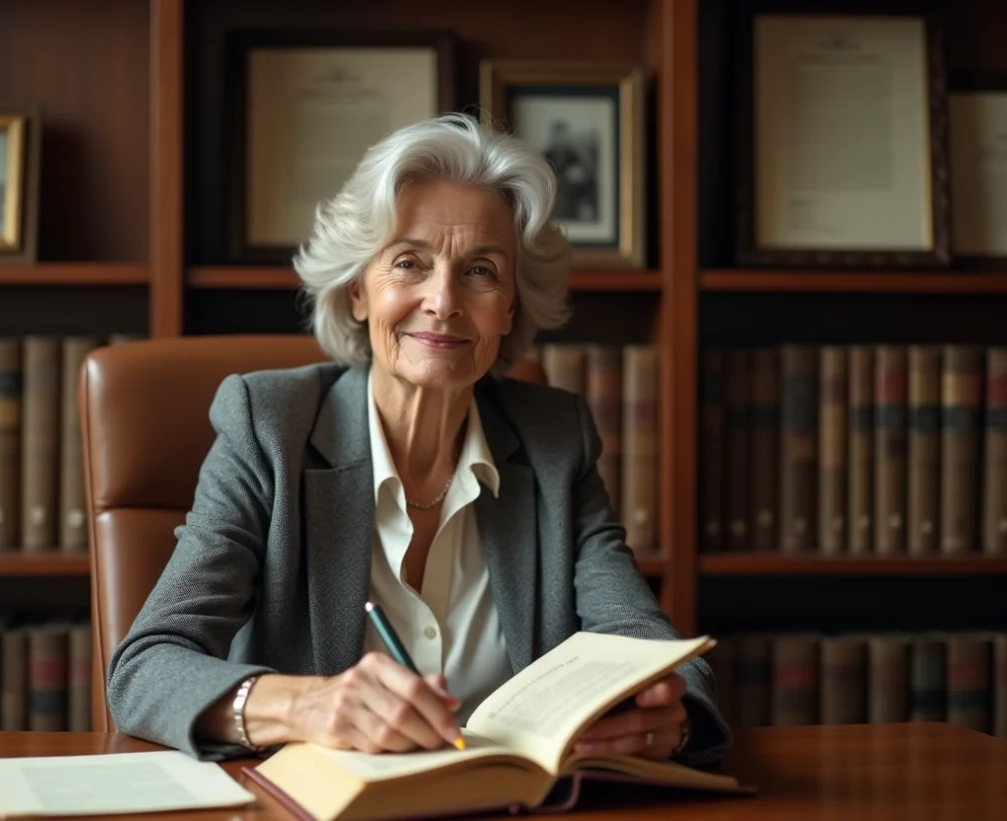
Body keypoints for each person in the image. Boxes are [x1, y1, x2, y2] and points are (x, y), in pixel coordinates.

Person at [106, 113, 731, 766]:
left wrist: (671, 716)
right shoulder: (270, 428)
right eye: (410, 262)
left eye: (481, 271)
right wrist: (304, 704)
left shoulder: (553, 441)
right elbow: (145, 668)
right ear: (357, 290)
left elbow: (644, 643)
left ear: (511, 306)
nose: (444, 300)